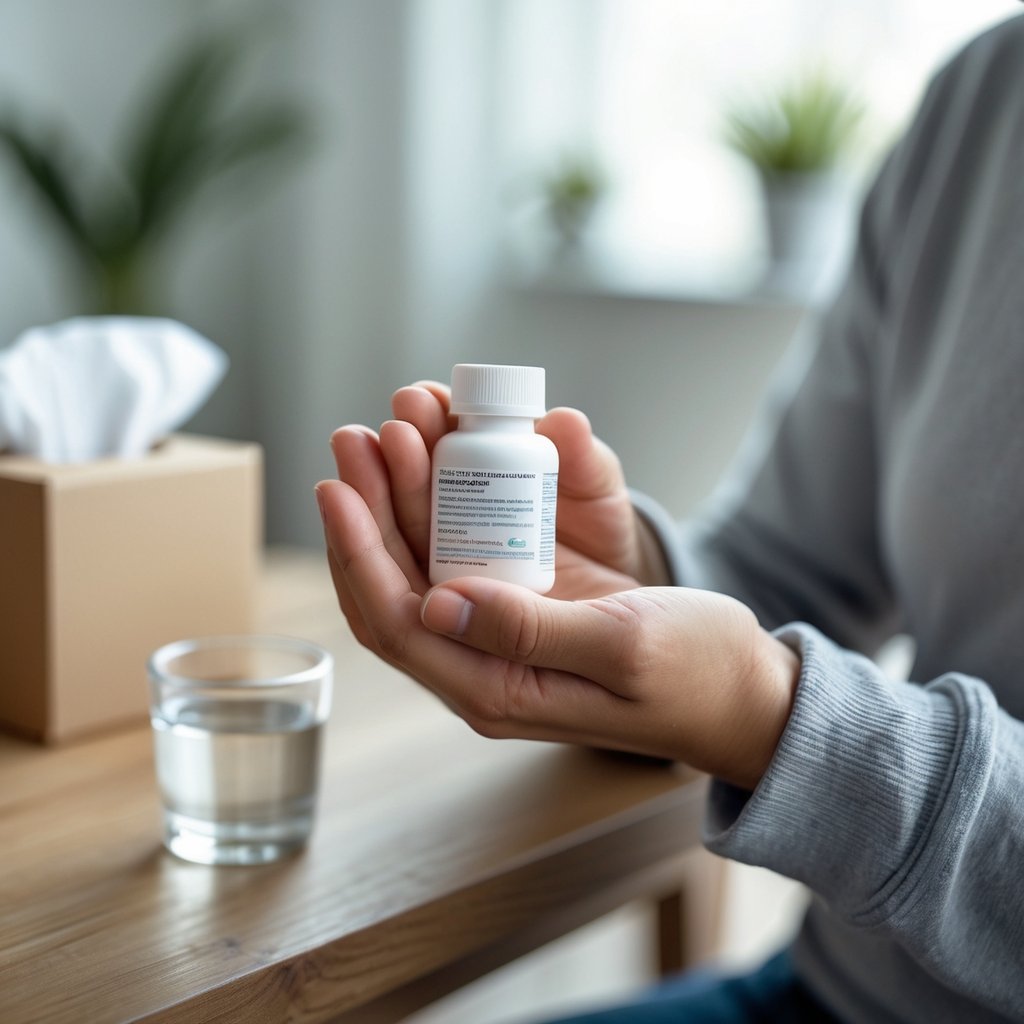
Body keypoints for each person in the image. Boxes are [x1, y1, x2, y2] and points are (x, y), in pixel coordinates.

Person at [314, 14, 1024, 1023]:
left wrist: (768, 715)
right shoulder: (986, 96)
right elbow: (795, 567)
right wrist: (644, 576)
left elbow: (766, 681)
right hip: (830, 991)